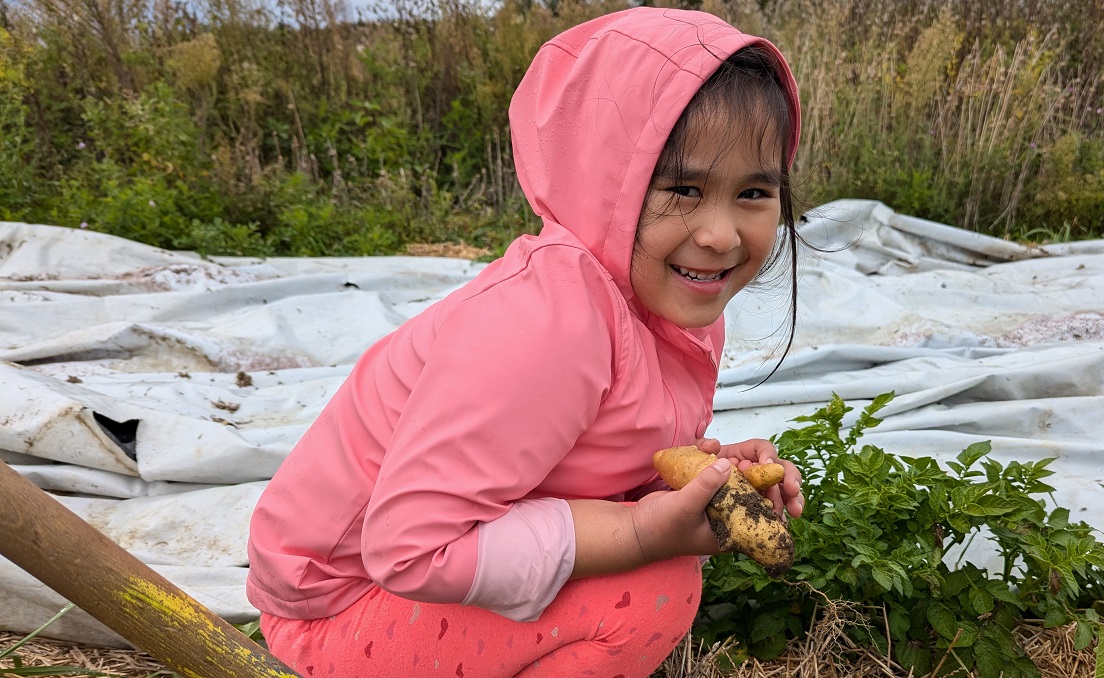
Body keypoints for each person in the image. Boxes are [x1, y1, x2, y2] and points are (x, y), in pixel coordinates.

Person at [246, 7, 807, 677]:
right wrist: (636, 531)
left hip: (404, 587)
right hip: (341, 608)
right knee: (652, 590)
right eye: (683, 189)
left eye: (752, 192)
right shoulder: (547, 324)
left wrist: (700, 477)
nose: (720, 234)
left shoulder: (674, 305)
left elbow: (592, 446)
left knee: (659, 563)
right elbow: (410, 550)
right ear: (607, 179)